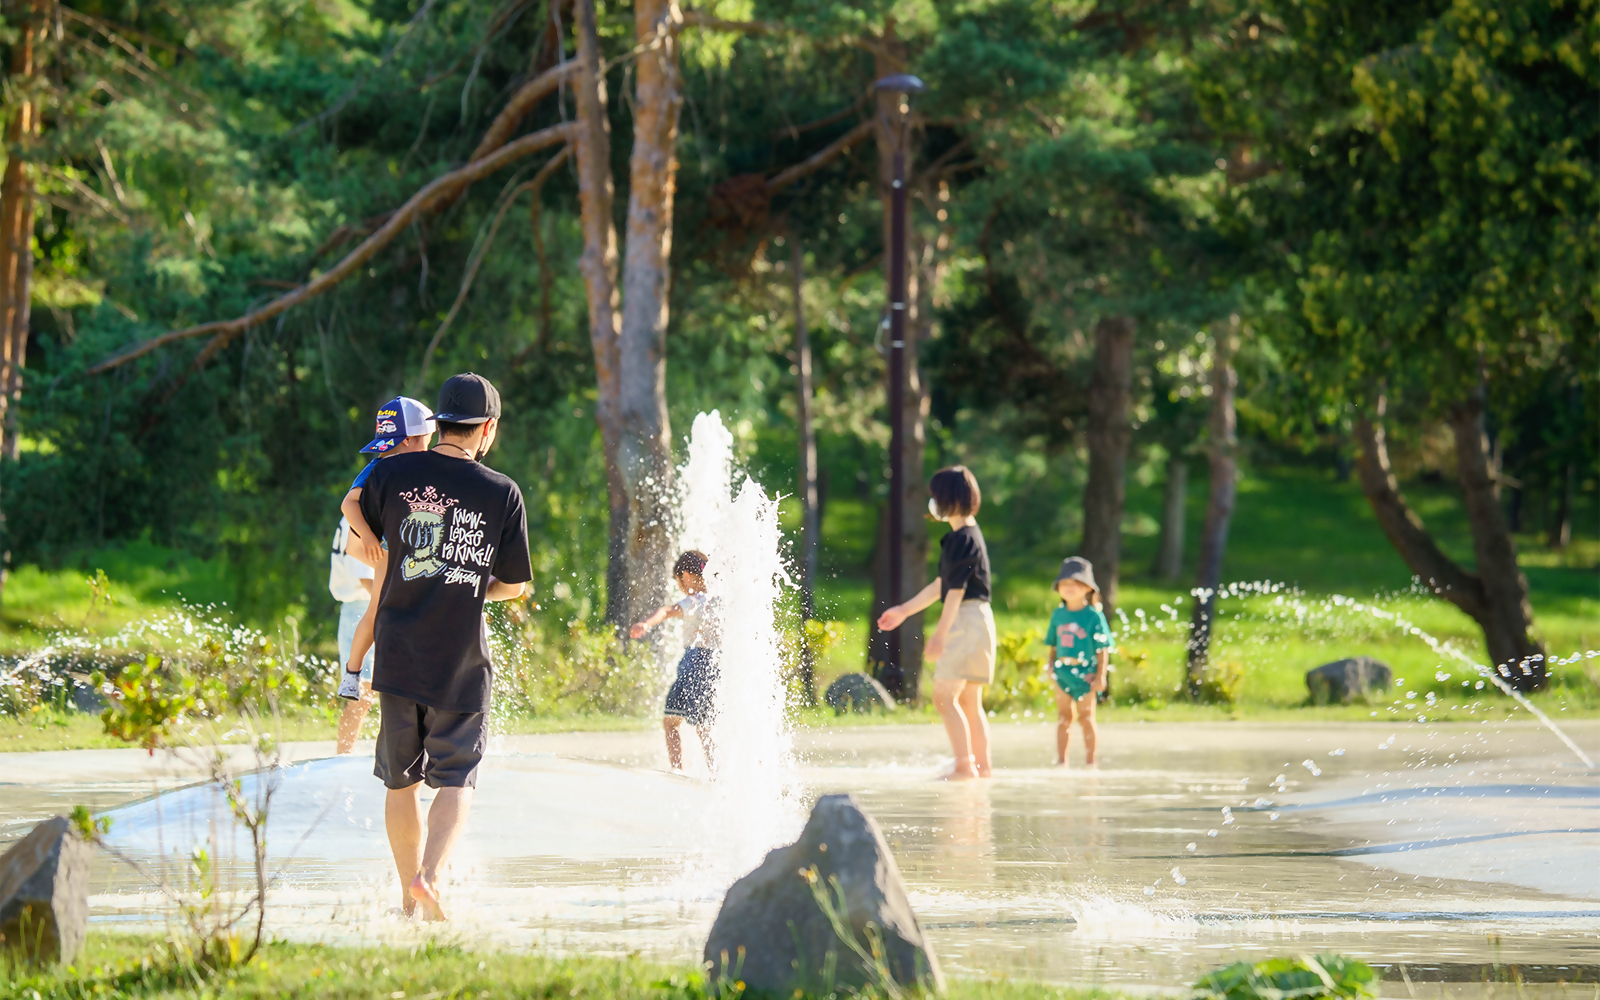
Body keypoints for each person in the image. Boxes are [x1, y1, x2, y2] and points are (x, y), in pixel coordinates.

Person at [340, 372, 531, 921]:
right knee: (456, 778)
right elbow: (514, 586)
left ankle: (406, 896)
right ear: (487, 429)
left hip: (398, 653)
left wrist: (383, 550)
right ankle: (430, 878)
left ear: (440, 422)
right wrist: (472, 587)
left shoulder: (393, 472)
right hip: (461, 661)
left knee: (401, 781)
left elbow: (357, 538)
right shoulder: (503, 492)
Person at [876, 466, 995, 781]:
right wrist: (904, 610)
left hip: (965, 620)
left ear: (946, 500)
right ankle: (981, 767)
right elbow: (943, 584)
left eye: (934, 496)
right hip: (979, 619)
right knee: (969, 699)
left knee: (945, 697)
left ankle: (964, 767)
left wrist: (940, 635)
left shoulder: (960, 539)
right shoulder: (970, 535)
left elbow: (954, 593)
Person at [332, 396, 436, 754]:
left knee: (377, 615)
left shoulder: (412, 468)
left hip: (402, 554)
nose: (430, 446)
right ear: (408, 440)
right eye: (426, 438)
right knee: (374, 612)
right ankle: (353, 672)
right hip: (385, 555)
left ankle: (357, 676)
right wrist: (368, 535)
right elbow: (348, 505)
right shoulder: (379, 469)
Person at [630, 550, 719, 773]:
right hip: (712, 664)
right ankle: (714, 771)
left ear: (687, 576)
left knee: (680, 722)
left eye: (679, 581)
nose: (680, 586)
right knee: (697, 724)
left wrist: (645, 624)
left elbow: (665, 611)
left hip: (693, 665)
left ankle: (681, 769)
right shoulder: (720, 600)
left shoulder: (693, 602)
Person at [1044, 557, 1112, 767]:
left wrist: (1101, 675)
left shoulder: (1093, 616)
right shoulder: (1058, 614)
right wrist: (1050, 665)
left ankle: (1091, 761)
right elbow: (1053, 644)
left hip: (1087, 674)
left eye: (1076, 584)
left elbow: (1102, 649)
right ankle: (1062, 760)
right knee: (1064, 717)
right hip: (1063, 672)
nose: (1069, 588)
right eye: (1065, 584)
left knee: (1086, 717)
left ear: (1087, 588)